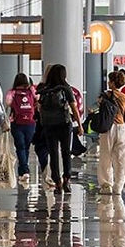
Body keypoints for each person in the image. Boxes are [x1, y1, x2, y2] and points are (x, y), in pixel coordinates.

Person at [37, 64, 83, 193]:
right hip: (64, 123)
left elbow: (39, 107)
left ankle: (57, 182)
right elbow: (74, 108)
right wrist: (79, 125)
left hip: (49, 125)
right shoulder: (65, 88)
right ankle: (67, 180)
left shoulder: (44, 88)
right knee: (65, 152)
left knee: (53, 153)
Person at [98, 71, 125, 195]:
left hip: (108, 128)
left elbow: (98, 108)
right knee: (121, 159)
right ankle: (118, 186)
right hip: (122, 128)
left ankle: (106, 185)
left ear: (112, 82)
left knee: (105, 157)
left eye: (109, 80)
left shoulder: (105, 95)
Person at [5, 73, 37, 186]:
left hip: (17, 123)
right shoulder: (31, 91)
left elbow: (8, 102)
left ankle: (24, 170)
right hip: (30, 122)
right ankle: (23, 171)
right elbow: (37, 98)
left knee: (20, 147)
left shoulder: (12, 92)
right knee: (26, 148)